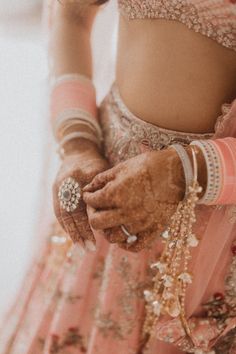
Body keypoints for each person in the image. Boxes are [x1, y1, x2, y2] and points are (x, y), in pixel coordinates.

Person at [0, 1, 236, 353]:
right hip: (105, 194)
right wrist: (78, 143)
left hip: (216, 247)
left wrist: (183, 172)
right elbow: (72, 14)